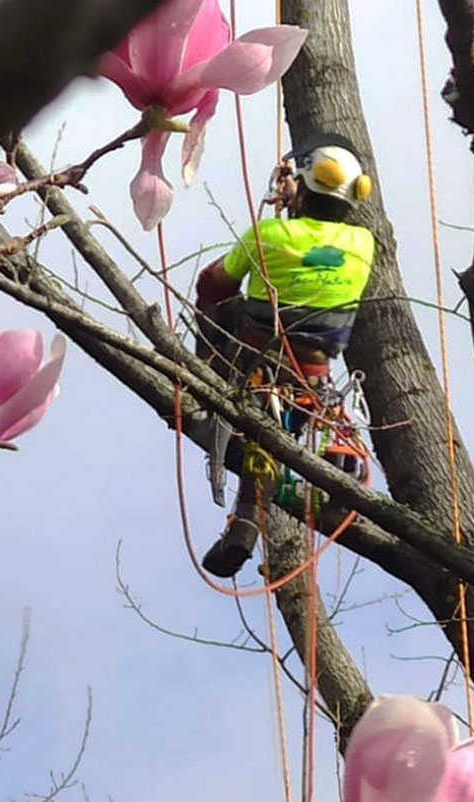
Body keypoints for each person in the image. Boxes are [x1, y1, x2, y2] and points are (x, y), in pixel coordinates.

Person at [193, 133, 375, 578]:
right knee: (278, 433)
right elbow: (319, 244)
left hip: (259, 365)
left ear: (306, 184)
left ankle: (201, 382)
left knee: (220, 310)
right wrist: (300, 198)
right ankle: (329, 487)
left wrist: (289, 206)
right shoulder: (363, 244)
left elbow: (213, 284)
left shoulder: (269, 234)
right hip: (315, 373)